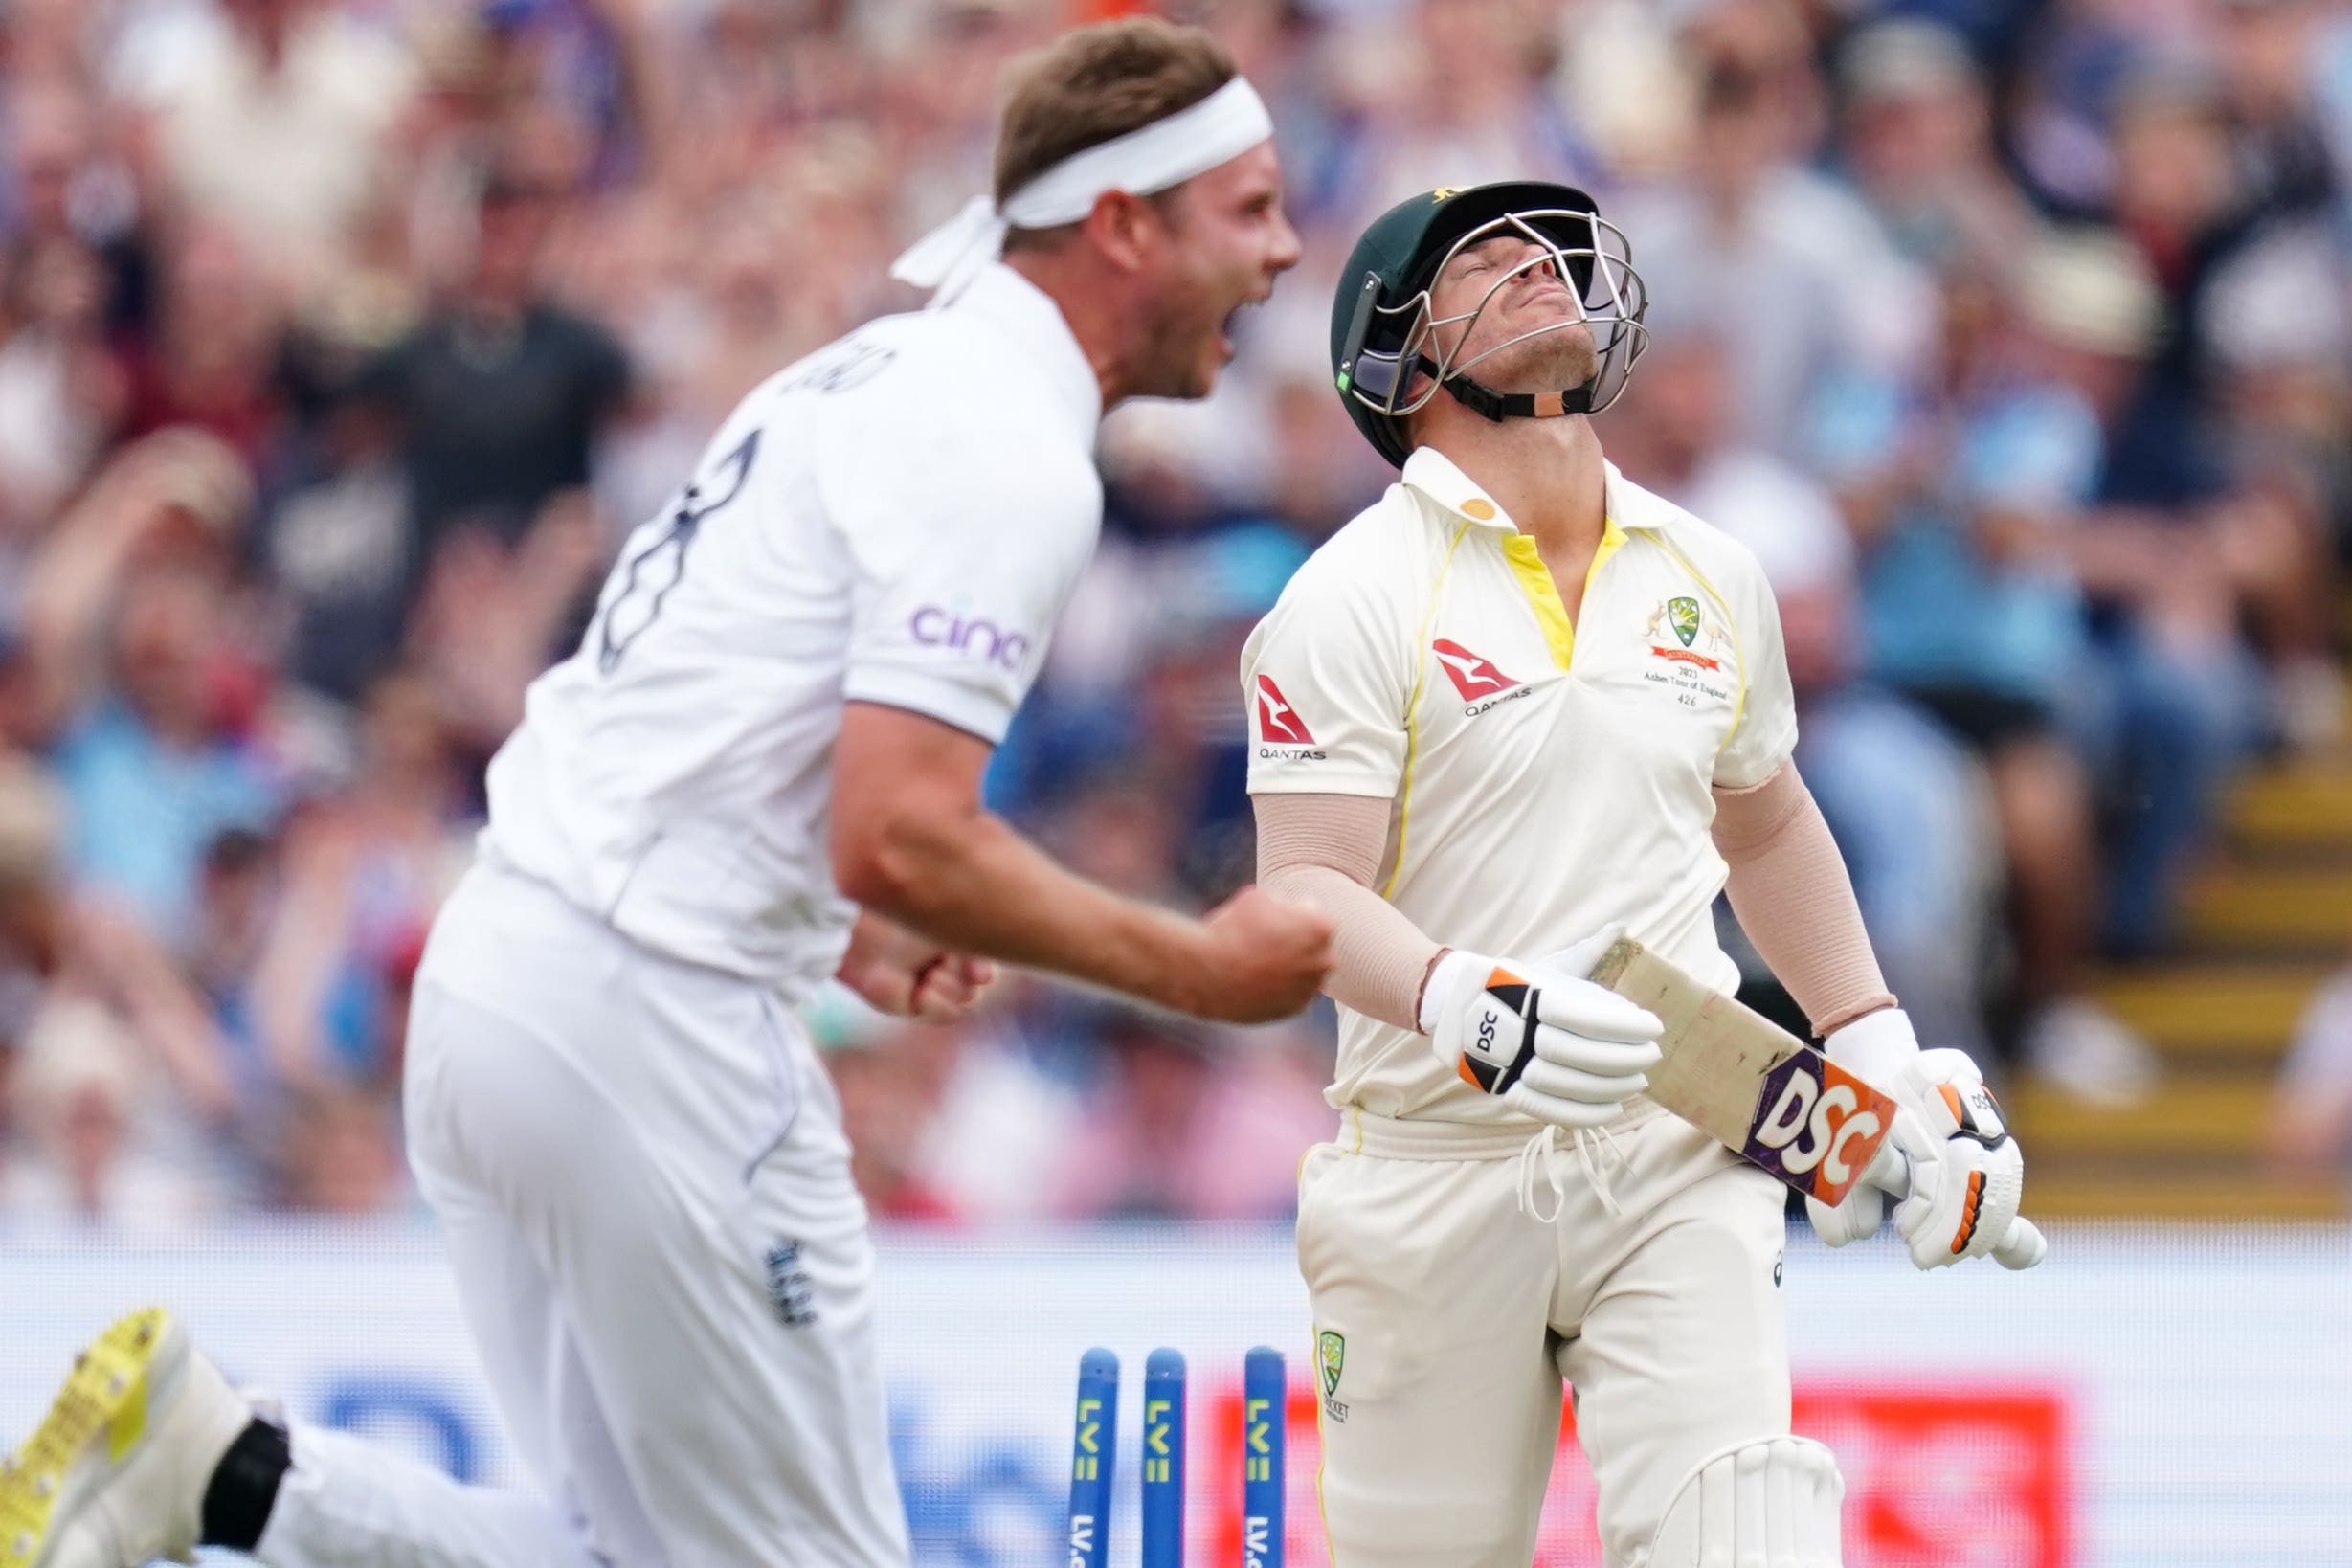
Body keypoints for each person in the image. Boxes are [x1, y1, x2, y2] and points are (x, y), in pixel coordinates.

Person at [3, 18, 1329, 1568]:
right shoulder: (1004, 445)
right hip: (654, 1031)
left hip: (509, 974)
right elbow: (896, 823)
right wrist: (1195, 969)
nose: (1284, 248)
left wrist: (837, 913)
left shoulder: (868, 374)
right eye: (1245, 208)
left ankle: (230, 1476)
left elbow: (734, 742)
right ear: (1123, 223)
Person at [1244, 182, 2040, 1568]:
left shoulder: (1709, 567)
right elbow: (1302, 892)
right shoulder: (1348, 595)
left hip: (1675, 1134)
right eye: (1487, 260)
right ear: (1394, 350)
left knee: (1745, 1532)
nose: (1539, 269)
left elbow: (1769, 821)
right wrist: (1454, 998)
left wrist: (1873, 1040)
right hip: (1432, 1160)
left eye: (1551, 249)